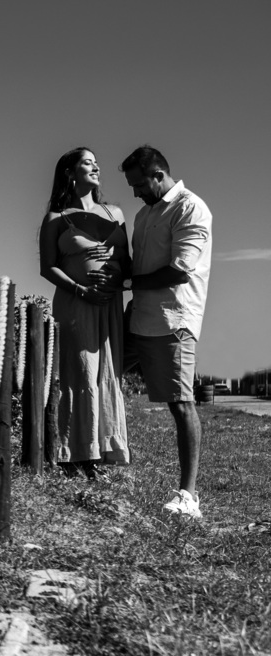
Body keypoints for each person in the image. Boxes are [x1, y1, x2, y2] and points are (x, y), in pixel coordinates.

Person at [112, 145, 212, 518]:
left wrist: (124, 281)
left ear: (157, 174)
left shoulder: (191, 208)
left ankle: (189, 496)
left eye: (139, 184)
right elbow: (141, 264)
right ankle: (91, 456)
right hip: (136, 317)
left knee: (180, 403)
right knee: (101, 376)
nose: (135, 192)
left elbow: (179, 270)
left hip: (174, 320)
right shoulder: (143, 214)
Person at [38, 147, 131, 480]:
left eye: (96, 163)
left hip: (109, 305)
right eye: (88, 163)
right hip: (76, 304)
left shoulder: (116, 213)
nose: (96, 167)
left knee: (106, 374)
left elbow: (128, 264)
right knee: (80, 373)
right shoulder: (55, 219)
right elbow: (47, 268)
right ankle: (76, 455)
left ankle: (104, 451)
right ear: (70, 172)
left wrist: (115, 279)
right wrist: (81, 290)